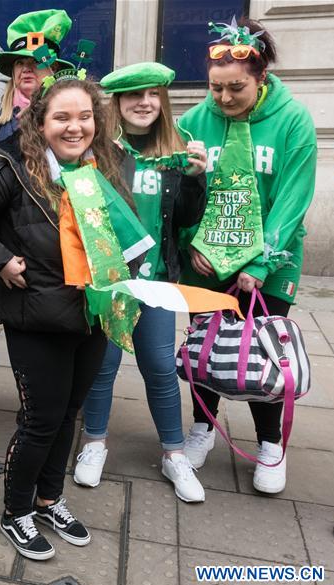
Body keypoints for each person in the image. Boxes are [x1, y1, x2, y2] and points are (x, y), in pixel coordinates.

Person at [0, 74, 137, 560]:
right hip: (36, 316)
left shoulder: (107, 164)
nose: (76, 127)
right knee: (39, 421)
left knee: (68, 413)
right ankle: (15, 512)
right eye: (62, 117)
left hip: (92, 314)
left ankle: (49, 499)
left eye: (85, 117)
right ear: (41, 123)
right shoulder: (14, 166)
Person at [176, 17, 317, 494]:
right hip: (206, 261)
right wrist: (192, 241)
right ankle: (203, 427)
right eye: (215, 88)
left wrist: (259, 263)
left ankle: (270, 444)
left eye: (236, 88)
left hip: (271, 263)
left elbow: (293, 200)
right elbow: (182, 193)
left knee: (263, 351)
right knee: (205, 348)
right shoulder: (194, 122)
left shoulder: (293, 120)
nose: (223, 98)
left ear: (261, 78)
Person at [74, 62, 208, 502]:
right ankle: (94, 443)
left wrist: (196, 181)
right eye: (134, 95)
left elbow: (185, 219)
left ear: (163, 101)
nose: (144, 103)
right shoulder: (98, 150)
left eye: (152, 95)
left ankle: (174, 454)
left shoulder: (178, 148)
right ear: (117, 103)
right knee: (103, 366)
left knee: (160, 368)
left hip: (158, 279)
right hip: (112, 279)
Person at [0, 9, 75, 149]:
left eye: (36, 61)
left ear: (54, 68)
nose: (26, 69)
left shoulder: (73, 110)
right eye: (19, 63)